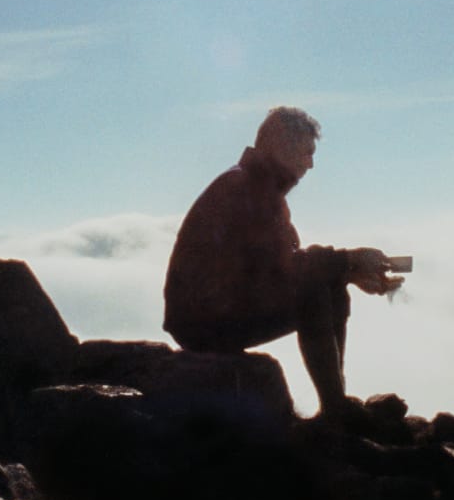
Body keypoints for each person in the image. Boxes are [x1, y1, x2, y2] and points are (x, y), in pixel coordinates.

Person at [162, 106, 402, 420]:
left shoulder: (255, 186)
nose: (310, 164)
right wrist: (350, 260)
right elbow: (285, 269)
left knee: (328, 283)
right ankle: (335, 409)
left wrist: (349, 272)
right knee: (315, 290)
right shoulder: (247, 190)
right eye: (307, 153)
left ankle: (336, 402)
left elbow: (282, 267)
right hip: (205, 323)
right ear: (282, 147)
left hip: (208, 314)